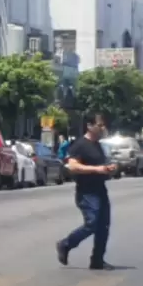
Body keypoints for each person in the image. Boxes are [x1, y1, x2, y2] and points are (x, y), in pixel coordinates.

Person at [55, 114, 117, 270]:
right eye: (99, 125)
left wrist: (108, 169)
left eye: (103, 125)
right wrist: (97, 169)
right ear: (89, 126)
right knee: (92, 223)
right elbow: (73, 166)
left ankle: (97, 260)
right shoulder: (80, 145)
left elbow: (100, 166)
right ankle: (65, 244)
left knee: (103, 226)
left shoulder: (98, 145)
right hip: (86, 191)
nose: (102, 128)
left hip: (100, 189)